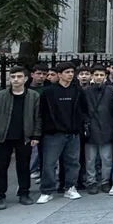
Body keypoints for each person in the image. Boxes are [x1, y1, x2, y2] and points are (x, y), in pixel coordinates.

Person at [0, 66, 41, 208]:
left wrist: (36, 135)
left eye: (18, 76)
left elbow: (37, 117)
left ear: (25, 78)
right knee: (0, 167)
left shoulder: (33, 96)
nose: (15, 80)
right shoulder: (0, 95)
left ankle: (24, 192)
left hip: (24, 136)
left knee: (23, 166)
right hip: (3, 136)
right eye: (13, 77)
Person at [37, 62, 86, 204]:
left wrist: (80, 127)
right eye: (67, 72)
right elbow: (42, 112)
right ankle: (47, 190)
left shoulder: (77, 90)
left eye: (72, 72)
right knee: (49, 163)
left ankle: (70, 187)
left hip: (73, 133)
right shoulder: (49, 91)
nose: (70, 74)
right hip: (54, 133)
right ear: (59, 75)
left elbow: (83, 110)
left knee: (73, 162)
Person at [81, 66, 113, 195]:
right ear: (92, 76)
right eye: (96, 75)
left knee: (106, 158)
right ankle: (92, 182)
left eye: (101, 75)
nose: (99, 77)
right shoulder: (85, 91)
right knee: (90, 158)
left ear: (105, 77)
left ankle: (105, 181)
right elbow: (82, 109)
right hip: (91, 127)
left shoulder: (112, 90)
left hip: (107, 126)